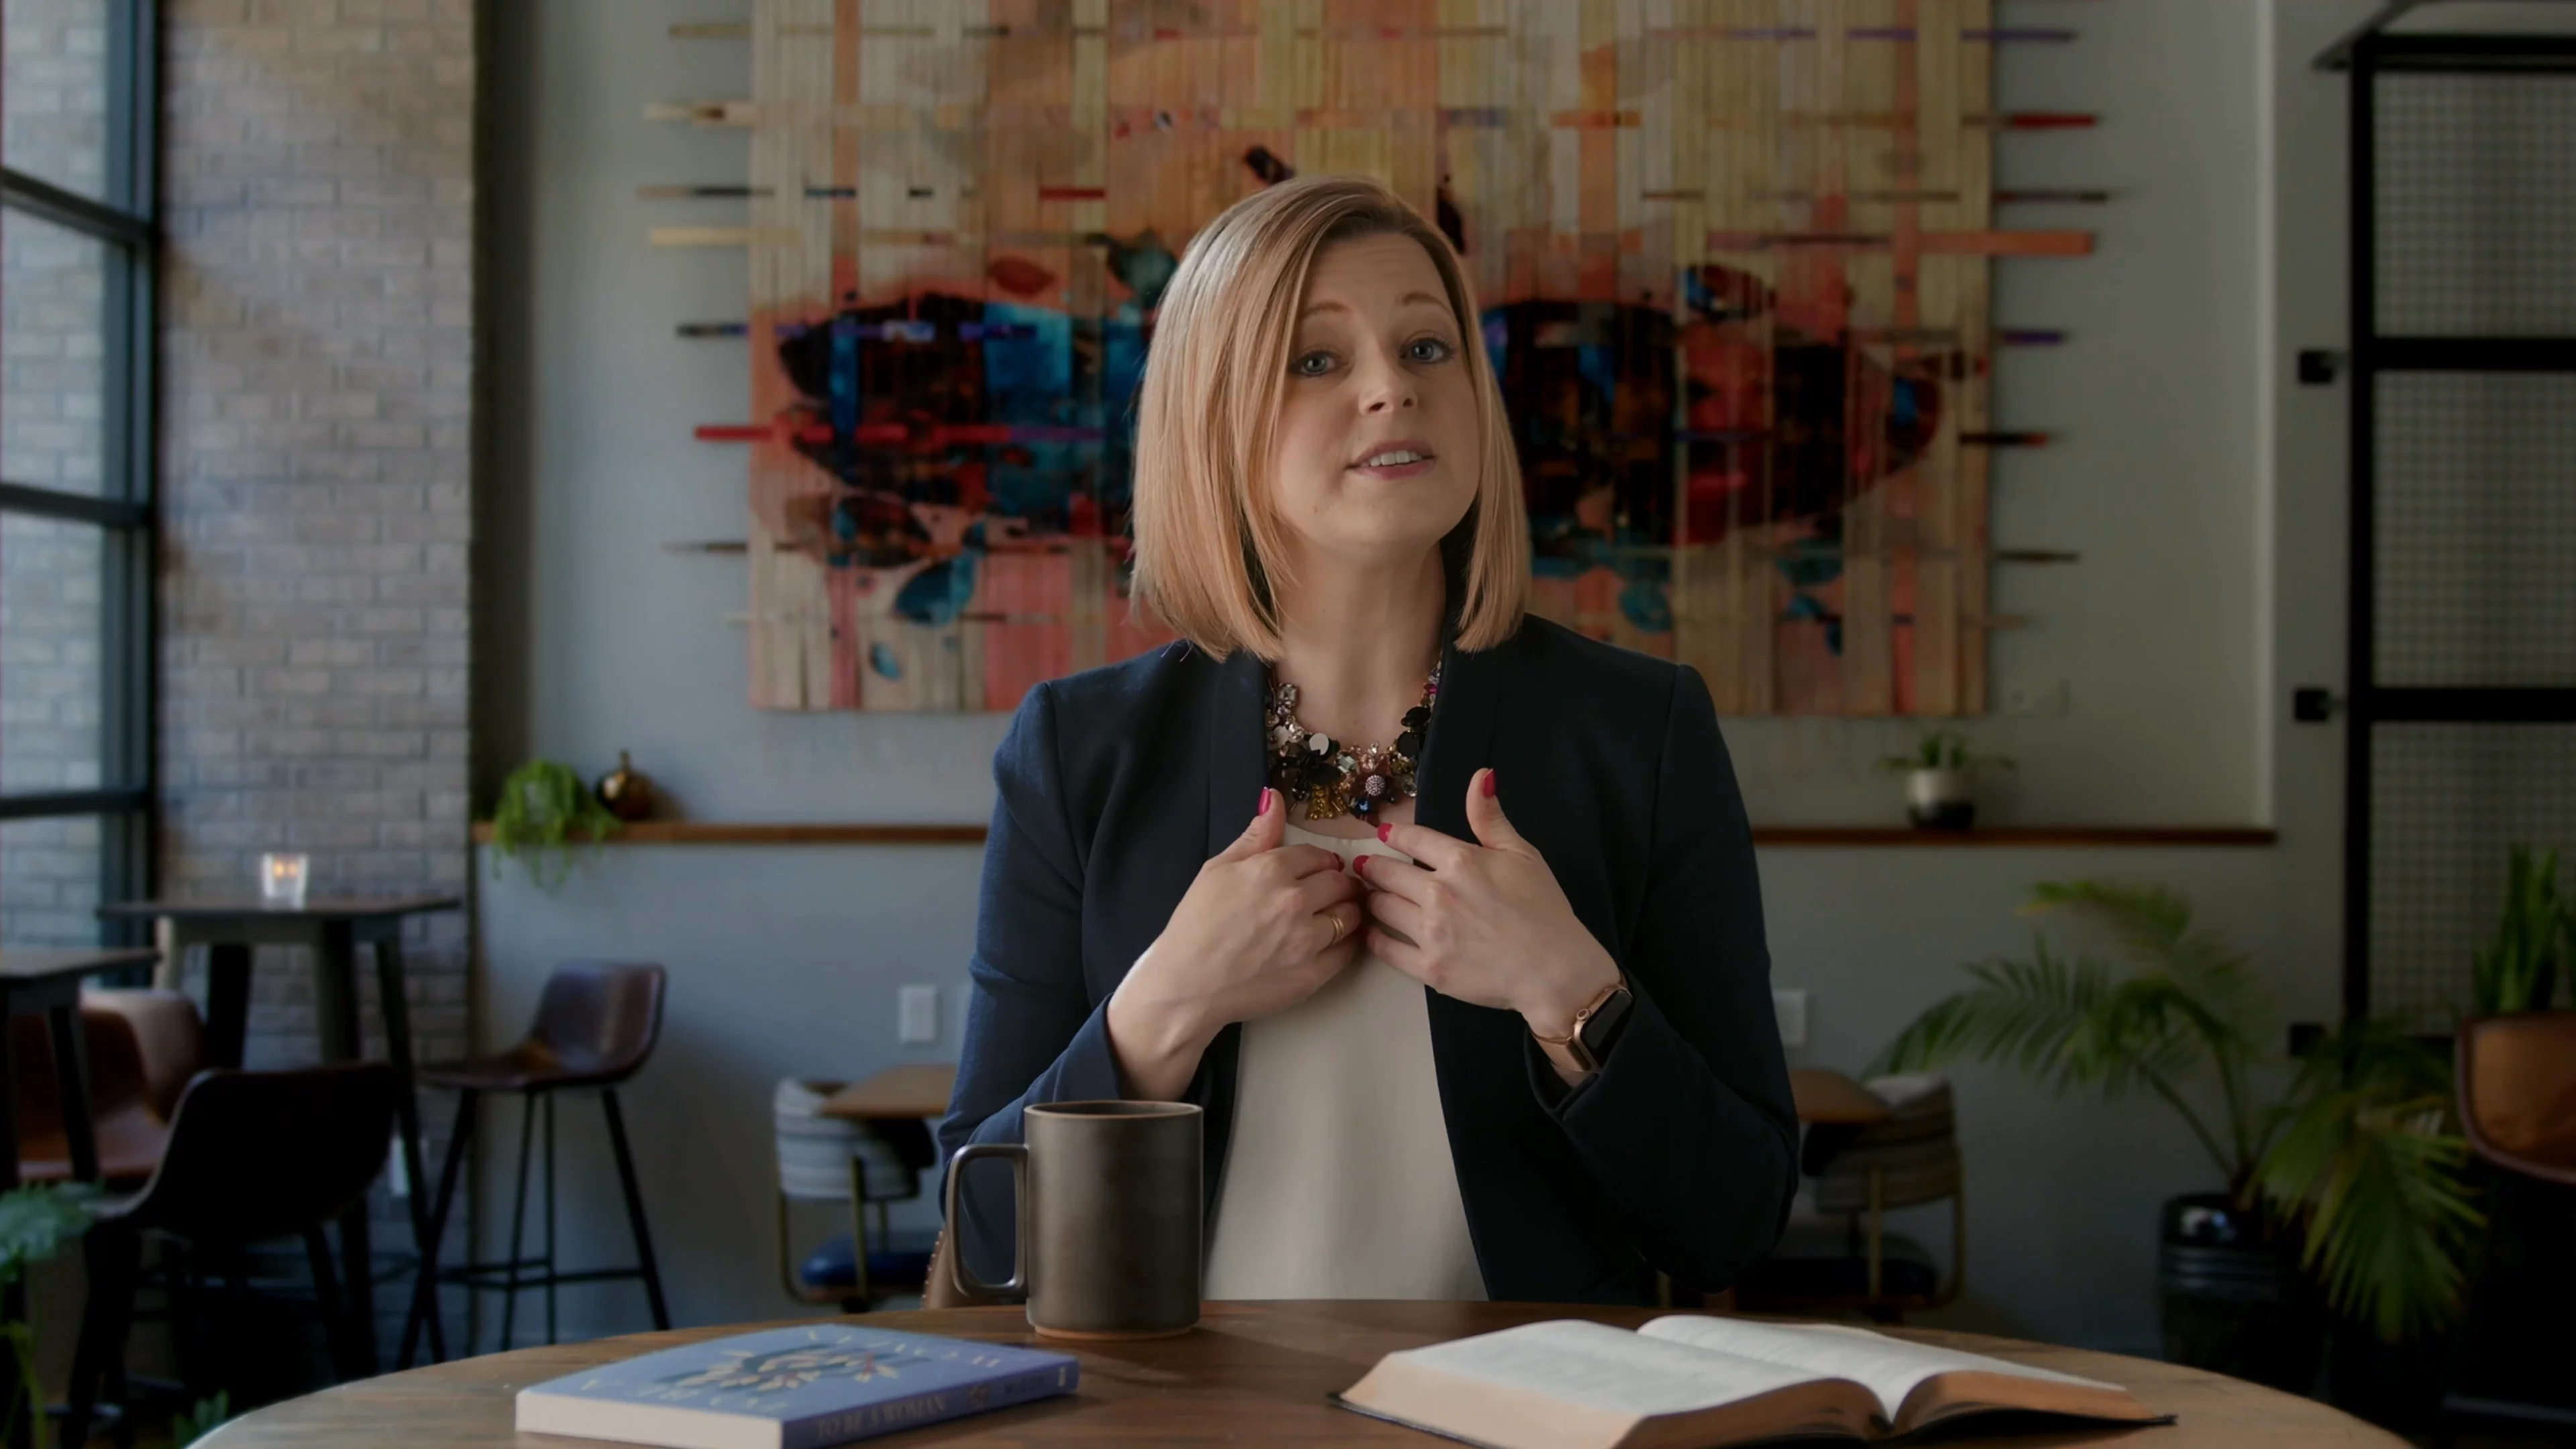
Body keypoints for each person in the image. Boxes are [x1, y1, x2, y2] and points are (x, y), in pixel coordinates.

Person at [938, 174, 1795, 1304]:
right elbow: (983, 1237)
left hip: (1531, 1396)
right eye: (1317, 359)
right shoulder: (1076, 751)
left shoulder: (1644, 731)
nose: (1393, 388)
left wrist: (1575, 995)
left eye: (1428, 348)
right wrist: (1165, 1009)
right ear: (1214, 417)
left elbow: (1733, 1224)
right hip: (1178, 1399)